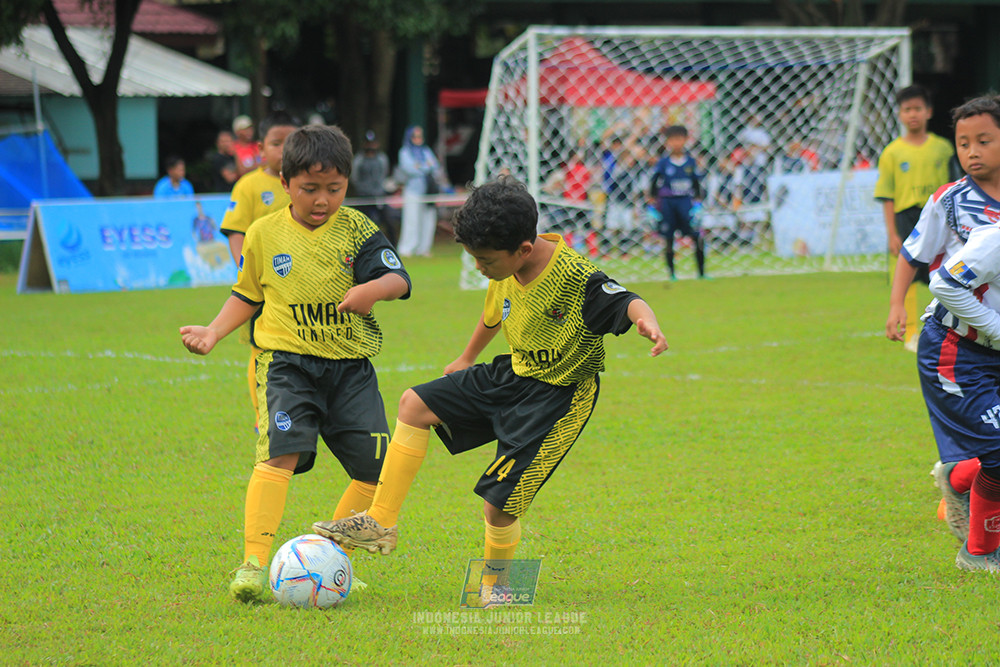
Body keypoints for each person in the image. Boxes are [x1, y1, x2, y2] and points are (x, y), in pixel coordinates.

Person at [311, 175, 667, 606]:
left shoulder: (575, 276)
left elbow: (625, 299)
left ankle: (497, 587)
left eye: (485, 260)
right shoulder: (506, 265)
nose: (479, 268)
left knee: (498, 507)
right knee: (414, 404)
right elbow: (495, 313)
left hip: (558, 397)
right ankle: (380, 521)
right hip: (513, 373)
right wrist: (466, 357)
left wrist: (647, 321)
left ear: (524, 250)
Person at [179, 124, 412, 601]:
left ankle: (329, 557)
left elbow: (399, 279)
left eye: (334, 188)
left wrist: (372, 289)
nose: (323, 199)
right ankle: (252, 564)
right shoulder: (264, 233)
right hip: (288, 365)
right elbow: (247, 294)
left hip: (351, 369)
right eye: (310, 188)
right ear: (285, 183)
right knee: (278, 456)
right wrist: (214, 331)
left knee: (376, 470)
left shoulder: (358, 229)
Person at [885, 95, 1000, 569]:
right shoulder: (951, 201)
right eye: (963, 143)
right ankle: (980, 552)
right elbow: (915, 255)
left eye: (984, 141)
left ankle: (958, 478)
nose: (972, 151)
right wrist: (897, 304)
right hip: (958, 344)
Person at [220, 111, 300, 431]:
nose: (284, 150)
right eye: (276, 143)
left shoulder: (305, 183)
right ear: (260, 148)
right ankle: (261, 415)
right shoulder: (248, 185)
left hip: (302, 285)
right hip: (264, 285)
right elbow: (236, 232)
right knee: (261, 347)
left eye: (291, 142)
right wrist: (246, 272)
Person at [876, 84, 955, 351]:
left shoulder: (943, 148)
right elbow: (887, 195)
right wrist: (892, 233)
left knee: (943, 274)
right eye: (907, 109)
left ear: (928, 111)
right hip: (906, 217)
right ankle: (909, 333)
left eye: (918, 109)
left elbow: (954, 185)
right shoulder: (891, 152)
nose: (913, 114)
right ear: (899, 114)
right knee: (906, 276)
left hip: (940, 217)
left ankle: (947, 328)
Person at [648, 125, 706, 280]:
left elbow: (697, 185)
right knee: (668, 238)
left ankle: (701, 273)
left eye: (679, 139)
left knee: (697, 236)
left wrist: (698, 204)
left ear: (685, 140)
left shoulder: (691, 162)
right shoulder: (663, 163)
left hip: (686, 202)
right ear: (668, 142)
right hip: (668, 203)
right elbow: (654, 184)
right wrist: (652, 205)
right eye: (673, 140)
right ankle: (672, 274)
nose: (676, 143)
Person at [395, 125, 442, 257]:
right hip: (413, 190)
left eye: (420, 136)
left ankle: (424, 248)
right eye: (415, 136)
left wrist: (419, 166)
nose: (418, 139)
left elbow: (435, 165)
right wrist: (426, 166)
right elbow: (409, 169)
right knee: (411, 220)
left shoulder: (426, 150)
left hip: (428, 191)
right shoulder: (404, 152)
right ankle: (407, 248)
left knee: (428, 219)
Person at [352, 130, 395, 246]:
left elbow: (384, 175)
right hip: (364, 196)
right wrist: (363, 189)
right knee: (361, 223)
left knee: (388, 221)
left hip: (379, 195)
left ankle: (393, 246)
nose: (371, 146)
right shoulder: (359, 160)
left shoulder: (381, 158)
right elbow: (355, 178)